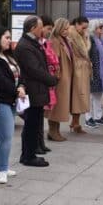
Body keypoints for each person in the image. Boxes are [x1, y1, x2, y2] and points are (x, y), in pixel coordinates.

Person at [14, 16, 58, 167]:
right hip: (32, 91)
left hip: (37, 90)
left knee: (34, 123)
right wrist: (51, 80)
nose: (43, 29)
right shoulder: (25, 46)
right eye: (41, 27)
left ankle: (31, 153)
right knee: (31, 125)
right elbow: (34, 70)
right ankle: (28, 156)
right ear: (33, 28)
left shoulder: (33, 43)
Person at [0, 26, 25, 183]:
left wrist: (21, 86)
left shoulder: (9, 56)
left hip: (11, 100)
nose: (10, 40)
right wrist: (16, 91)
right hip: (0, 100)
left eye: (10, 37)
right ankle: (2, 170)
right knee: (6, 136)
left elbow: (20, 75)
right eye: (6, 37)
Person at [48, 18, 75, 137]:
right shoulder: (55, 41)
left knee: (60, 106)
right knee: (57, 107)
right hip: (59, 78)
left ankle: (55, 131)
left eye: (67, 28)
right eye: (64, 28)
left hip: (65, 76)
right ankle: (53, 131)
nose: (66, 30)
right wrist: (57, 75)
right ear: (58, 28)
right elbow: (53, 61)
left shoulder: (64, 40)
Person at [68, 16, 92, 132]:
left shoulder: (82, 35)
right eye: (83, 28)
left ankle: (76, 122)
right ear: (76, 24)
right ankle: (75, 123)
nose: (85, 30)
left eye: (86, 28)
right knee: (77, 96)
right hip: (76, 69)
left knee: (80, 97)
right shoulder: (71, 35)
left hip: (82, 69)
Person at [38, 15, 57, 150]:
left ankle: (40, 143)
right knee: (36, 116)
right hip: (39, 82)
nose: (49, 31)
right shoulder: (36, 43)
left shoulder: (45, 42)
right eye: (48, 28)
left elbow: (53, 58)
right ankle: (36, 144)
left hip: (47, 80)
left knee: (40, 116)